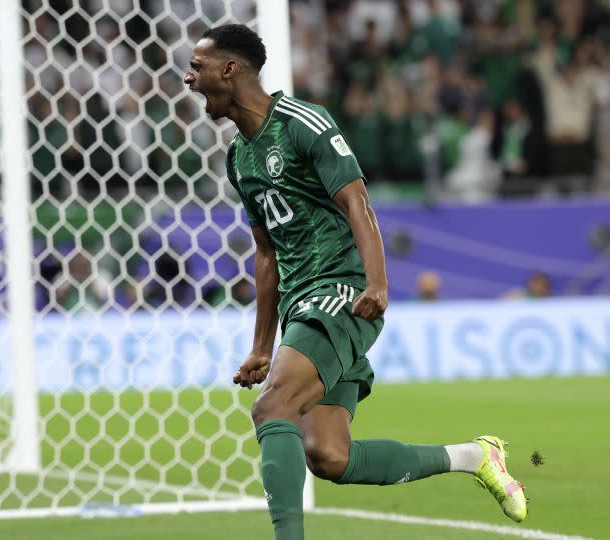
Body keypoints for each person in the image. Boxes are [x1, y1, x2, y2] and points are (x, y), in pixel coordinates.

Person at [184, 24, 527, 539]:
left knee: (272, 406)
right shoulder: (239, 157)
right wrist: (260, 346)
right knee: (329, 456)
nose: (188, 78)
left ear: (229, 69)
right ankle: (476, 457)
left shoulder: (302, 121)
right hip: (303, 305)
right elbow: (265, 252)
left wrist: (377, 282)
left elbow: (356, 202)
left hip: (342, 289)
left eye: (197, 66)